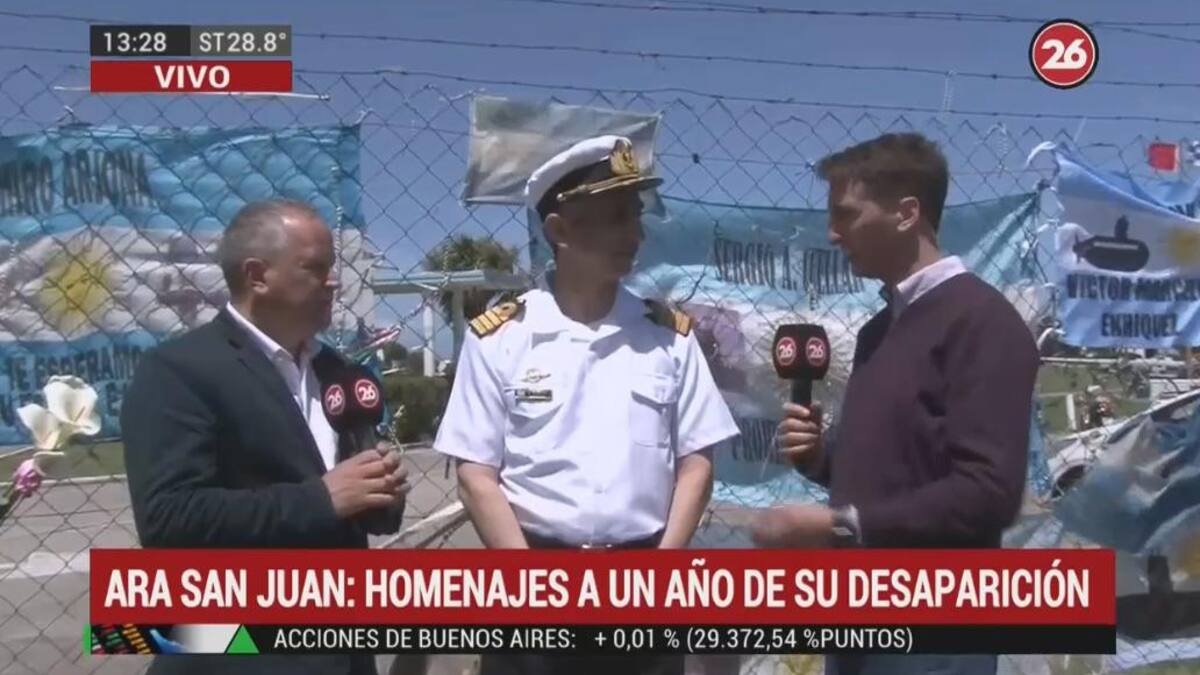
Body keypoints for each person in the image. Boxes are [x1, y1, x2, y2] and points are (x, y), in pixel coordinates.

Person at [433, 135, 741, 675]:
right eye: (617, 216)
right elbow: (476, 474)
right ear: (560, 231)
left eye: (636, 215)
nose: (637, 233)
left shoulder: (670, 336)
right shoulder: (501, 337)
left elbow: (697, 461)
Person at [751, 133, 1040, 675]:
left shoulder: (981, 321)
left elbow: (989, 493)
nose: (833, 234)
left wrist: (840, 526)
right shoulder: (879, 329)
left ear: (907, 213)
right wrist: (822, 459)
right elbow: (904, 471)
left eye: (846, 215)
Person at [122, 199, 410, 675]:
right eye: (315, 268)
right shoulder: (178, 371)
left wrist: (382, 489)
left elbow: (364, 516)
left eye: (332, 267)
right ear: (258, 275)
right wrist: (322, 497)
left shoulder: (337, 370)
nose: (333, 281)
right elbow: (169, 519)